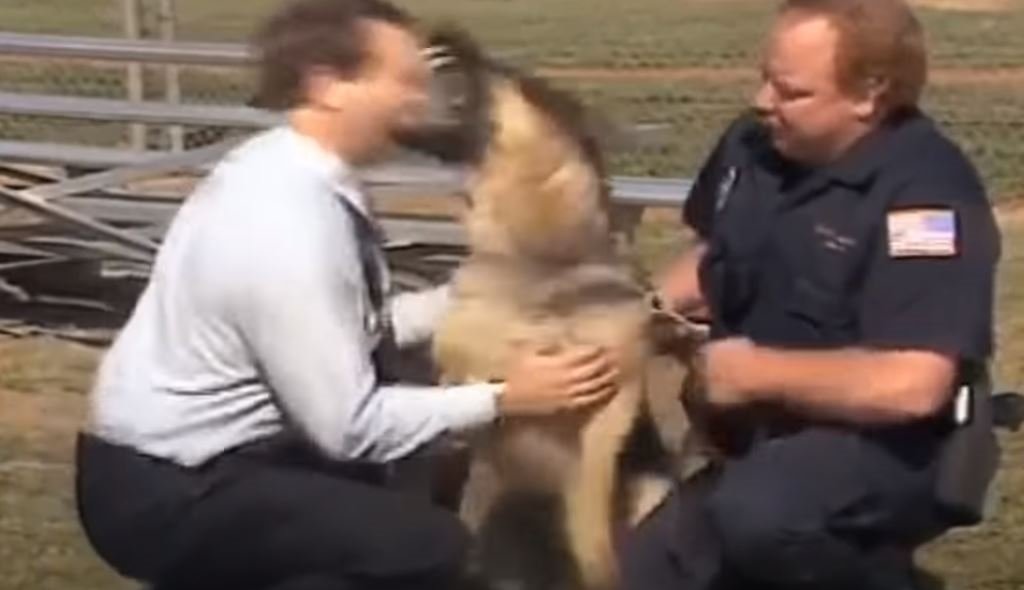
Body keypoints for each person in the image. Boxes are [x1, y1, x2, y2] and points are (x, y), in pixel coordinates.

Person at [73, 1, 620, 589]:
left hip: (203, 464)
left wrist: (477, 299)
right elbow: (350, 427)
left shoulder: (290, 168)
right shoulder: (289, 223)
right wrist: (506, 397)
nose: (423, 101)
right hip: (175, 488)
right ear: (328, 86)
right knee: (428, 547)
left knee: (387, 516)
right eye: (405, 82)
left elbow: (345, 331)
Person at [624, 0, 1002, 589]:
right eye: (765, 78)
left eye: (791, 92)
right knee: (635, 574)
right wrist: (639, 314)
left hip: (884, 446)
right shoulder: (753, 146)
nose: (762, 100)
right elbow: (718, 257)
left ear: (869, 94)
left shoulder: (925, 195)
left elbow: (912, 385)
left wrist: (752, 374)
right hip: (759, 441)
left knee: (764, 518)